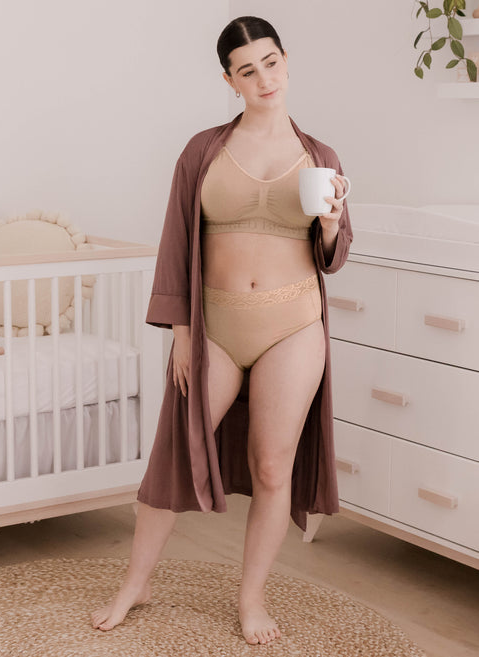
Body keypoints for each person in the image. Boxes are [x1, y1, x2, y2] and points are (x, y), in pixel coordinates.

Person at [91, 15, 352, 646]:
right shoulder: (203, 150)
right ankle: (136, 583)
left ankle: (250, 597)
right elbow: (177, 243)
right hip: (216, 326)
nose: (264, 78)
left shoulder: (321, 157)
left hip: (293, 326)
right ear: (229, 80)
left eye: (271, 62)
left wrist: (329, 224)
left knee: (272, 465)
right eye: (247, 70)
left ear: (285, 60)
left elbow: (333, 255)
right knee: (175, 454)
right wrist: (181, 333)